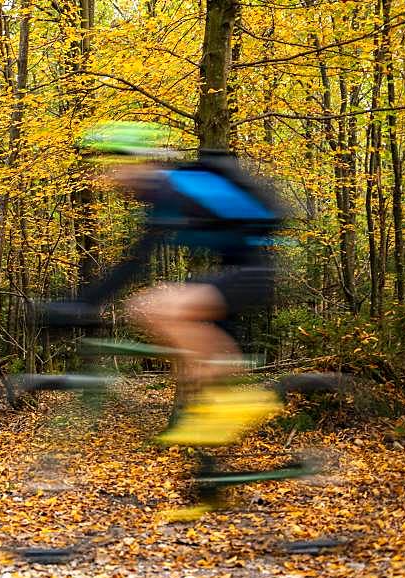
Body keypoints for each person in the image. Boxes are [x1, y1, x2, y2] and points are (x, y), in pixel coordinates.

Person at [40, 138, 285, 446]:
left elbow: (135, 262)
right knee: (173, 335)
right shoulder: (169, 193)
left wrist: (82, 304)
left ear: (138, 163)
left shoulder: (172, 188)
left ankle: (236, 399)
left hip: (252, 272)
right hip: (238, 270)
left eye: (113, 167)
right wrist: (83, 303)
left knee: (151, 307)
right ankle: (214, 468)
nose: (109, 177)